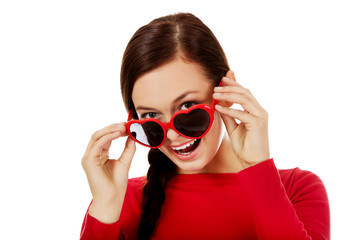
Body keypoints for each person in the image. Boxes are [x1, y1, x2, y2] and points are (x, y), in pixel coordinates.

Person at [80, 13, 330, 240]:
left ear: (226, 90)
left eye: (187, 107)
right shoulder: (121, 201)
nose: (172, 134)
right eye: (152, 116)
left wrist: (258, 169)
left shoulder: (297, 189)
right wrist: (105, 206)